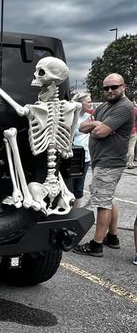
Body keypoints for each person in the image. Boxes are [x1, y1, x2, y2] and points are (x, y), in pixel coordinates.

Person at [73, 73, 134, 257]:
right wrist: (98, 124)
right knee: (108, 199)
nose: (109, 91)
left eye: (114, 87)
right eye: (106, 88)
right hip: (101, 161)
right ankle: (113, 236)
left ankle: (96, 244)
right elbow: (82, 127)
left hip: (110, 162)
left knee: (102, 203)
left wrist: (97, 127)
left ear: (123, 87)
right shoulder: (106, 106)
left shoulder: (124, 107)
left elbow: (99, 133)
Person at [70, 91, 94, 208]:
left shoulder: (89, 117)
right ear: (80, 103)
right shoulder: (70, 117)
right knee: (68, 187)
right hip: (71, 157)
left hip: (85, 157)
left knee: (78, 188)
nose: (91, 104)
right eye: (88, 101)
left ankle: (76, 213)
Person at [126, 97, 137, 168]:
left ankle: (129, 162)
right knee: (131, 147)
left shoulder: (125, 110)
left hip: (125, 131)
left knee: (125, 147)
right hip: (133, 131)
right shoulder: (136, 110)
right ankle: (129, 163)